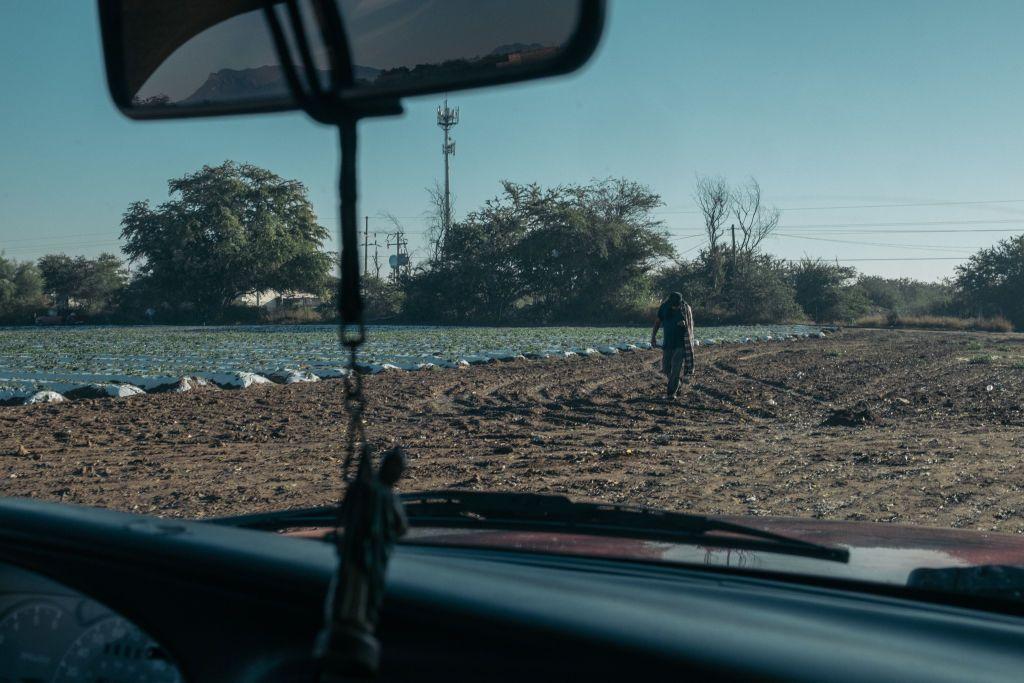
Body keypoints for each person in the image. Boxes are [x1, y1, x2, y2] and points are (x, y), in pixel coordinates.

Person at [651, 291, 695, 399]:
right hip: (668, 343)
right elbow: (657, 322)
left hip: (681, 344)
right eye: (674, 305)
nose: (676, 307)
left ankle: (671, 394)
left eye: (677, 305)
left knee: (676, 369)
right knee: (666, 368)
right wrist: (653, 336)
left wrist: (684, 324)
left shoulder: (685, 309)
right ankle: (677, 383)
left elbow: (690, 325)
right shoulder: (664, 308)